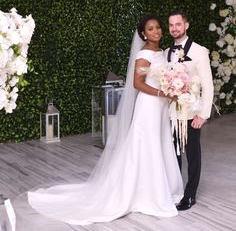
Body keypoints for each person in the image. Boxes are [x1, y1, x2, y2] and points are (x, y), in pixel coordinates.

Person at [25, 14, 183, 225]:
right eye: (151, 29)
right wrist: (162, 93)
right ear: (143, 33)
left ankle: (164, 187)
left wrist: (172, 88)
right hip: (149, 106)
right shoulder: (145, 53)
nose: (156, 31)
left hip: (160, 108)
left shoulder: (161, 52)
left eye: (158, 28)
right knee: (147, 144)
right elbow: (137, 83)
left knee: (161, 142)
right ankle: (148, 193)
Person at [165, 11, 214, 211]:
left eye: (178, 24)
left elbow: (208, 85)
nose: (174, 28)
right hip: (172, 113)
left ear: (186, 25)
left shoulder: (199, 51)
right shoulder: (166, 52)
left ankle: (190, 195)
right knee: (173, 154)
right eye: (171, 25)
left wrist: (203, 114)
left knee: (192, 154)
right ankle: (176, 191)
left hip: (192, 112)